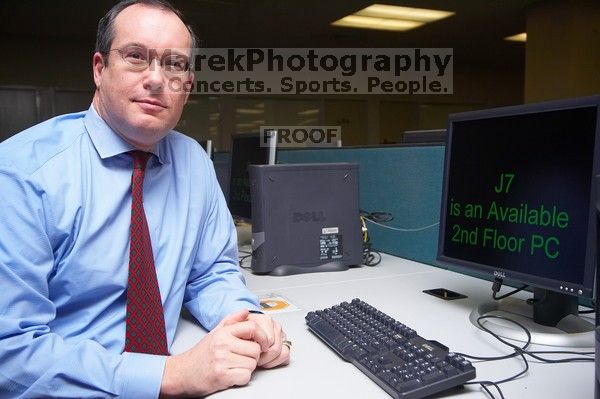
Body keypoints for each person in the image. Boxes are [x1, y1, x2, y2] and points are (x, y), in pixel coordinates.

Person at [0, 0, 290, 397]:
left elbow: (210, 273)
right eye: (136, 56)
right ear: (99, 69)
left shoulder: (194, 163)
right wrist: (170, 375)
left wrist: (246, 321)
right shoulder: (20, 175)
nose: (156, 79)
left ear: (186, 86)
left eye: (174, 64)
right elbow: (11, 353)